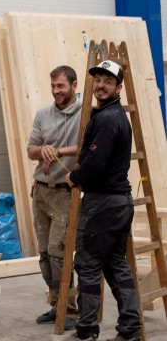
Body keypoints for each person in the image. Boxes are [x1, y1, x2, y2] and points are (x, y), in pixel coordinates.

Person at [65, 60, 141, 341]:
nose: (101, 85)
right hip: (119, 203)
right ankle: (130, 330)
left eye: (108, 81)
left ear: (118, 87)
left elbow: (95, 163)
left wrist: (75, 176)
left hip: (103, 204)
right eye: (98, 80)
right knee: (115, 263)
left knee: (87, 265)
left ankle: (85, 332)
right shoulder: (112, 115)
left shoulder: (109, 119)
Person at [27, 65, 82, 330]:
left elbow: (88, 147)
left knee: (58, 254)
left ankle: (69, 310)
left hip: (64, 191)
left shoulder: (86, 114)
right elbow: (31, 149)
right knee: (44, 255)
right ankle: (55, 304)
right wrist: (43, 150)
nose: (56, 91)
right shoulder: (42, 113)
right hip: (40, 189)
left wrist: (58, 151)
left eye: (61, 86)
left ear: (74, 85)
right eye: (53, 86)